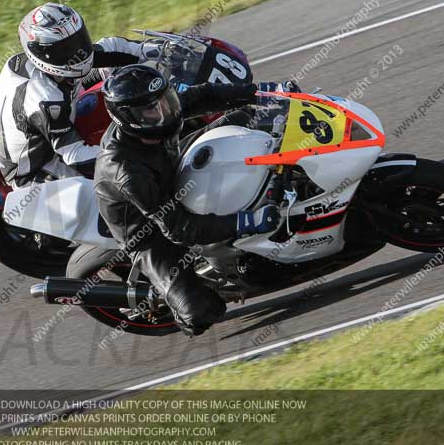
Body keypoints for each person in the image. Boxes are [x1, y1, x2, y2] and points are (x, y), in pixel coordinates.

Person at [94, 64, 299, 336]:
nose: (165, 111)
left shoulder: (161, 114)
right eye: (151, 110)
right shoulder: (126, 171)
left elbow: (204, 95)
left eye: (166, 100)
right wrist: (247, 220)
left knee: (246, 118)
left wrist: (264, 92)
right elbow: (178, 228)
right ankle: (167, 296)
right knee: (200, 313)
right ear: (127, 118)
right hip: (149, 230)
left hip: (174, 165)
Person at [0, 3, 159, 188]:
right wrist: (138, 153)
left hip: (51, 120)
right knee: (120, 186)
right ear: (41, 53)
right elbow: (75, 156)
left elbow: (110, 47)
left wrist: (160, 49)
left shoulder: (60, 64)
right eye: (65, 48)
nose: (76, 51)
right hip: (35, 168)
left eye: (78, 40)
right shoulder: (45, 99)